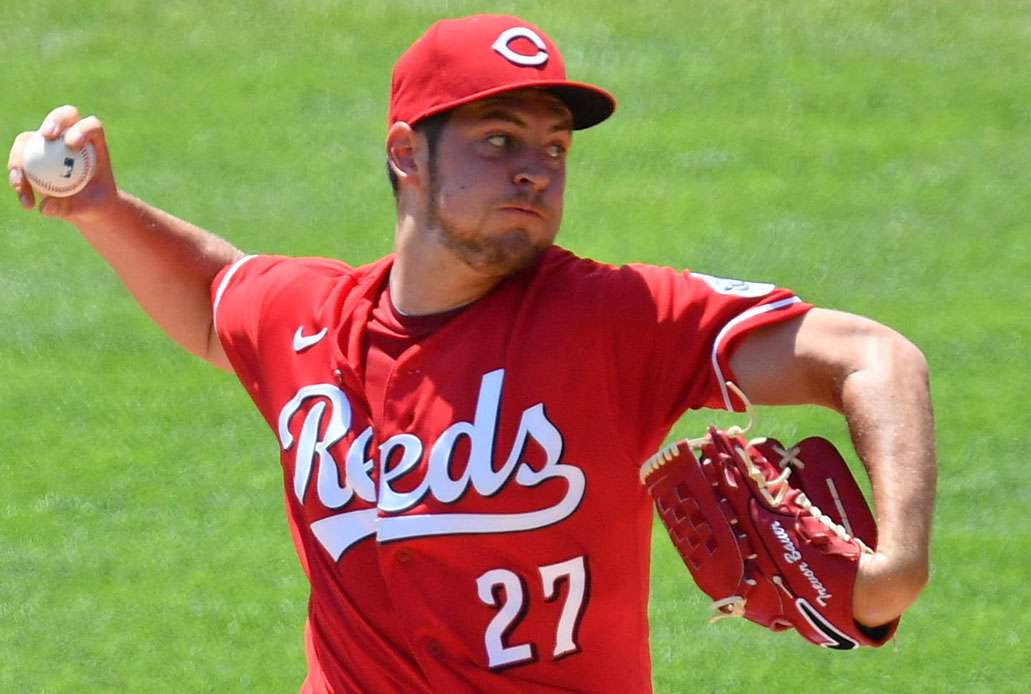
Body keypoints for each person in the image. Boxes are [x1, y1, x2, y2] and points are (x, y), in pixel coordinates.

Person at [8, 13, 935, 694]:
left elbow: (870, 356)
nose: (536, 167)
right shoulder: (310, 319)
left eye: (556, 146)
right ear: (408, 155)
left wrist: (898, 567)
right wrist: (105, 212)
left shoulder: (615, 318)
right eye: (499, 141)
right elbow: (218, 303)